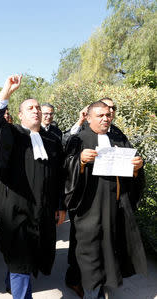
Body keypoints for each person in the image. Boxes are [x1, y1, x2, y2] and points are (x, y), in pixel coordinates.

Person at [0, 74, 65, 299]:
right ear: (20, 114)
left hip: (43, 210)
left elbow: (59, 176)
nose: (36, 110)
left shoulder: (52, 141)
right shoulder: (12, 133)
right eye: (30, 107)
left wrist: (60, 205)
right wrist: (5, 94)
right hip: (15, 209)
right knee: (20, 258)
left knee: (29, 255)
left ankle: (12, 283)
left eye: (38, 107)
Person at [64, 101, 146, 298]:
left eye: (108, 115)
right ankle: (92, 292)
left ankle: (103, 287)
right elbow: (64, 169)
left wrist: (137, 167)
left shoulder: (118, 139)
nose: (105, 119)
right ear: (89, 117)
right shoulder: (79, 140)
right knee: (90, 254)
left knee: (110, 251)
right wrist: (80, 161)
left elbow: (132, 168)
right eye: (100, 115)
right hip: (89, 209)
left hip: (115, 206)